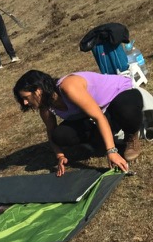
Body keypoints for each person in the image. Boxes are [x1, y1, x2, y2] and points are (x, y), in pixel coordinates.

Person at [13, 69, 143, 176]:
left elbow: (99, 118)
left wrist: (112, 151)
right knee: (60, 135)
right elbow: (51, 131)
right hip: (99, 112)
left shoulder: (68, 87)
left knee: (126, 111)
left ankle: (131, 136)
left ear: (38, 90)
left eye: (26, 97)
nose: (25, 102)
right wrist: (60, 156)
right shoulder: (45, 107)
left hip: (119, 94)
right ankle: (99, 142)